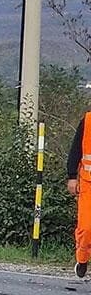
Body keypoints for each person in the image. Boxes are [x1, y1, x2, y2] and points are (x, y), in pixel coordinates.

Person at [67, 109, 91, 278]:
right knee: (86, 227)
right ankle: (82, 260)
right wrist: (72, 176)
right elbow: (76, 149)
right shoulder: (88, 120)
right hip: (88, 183)